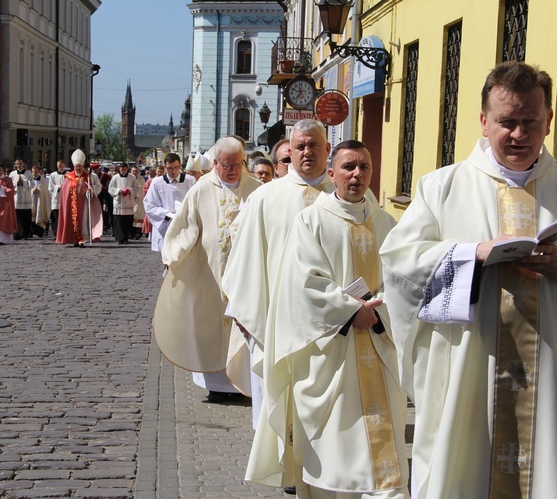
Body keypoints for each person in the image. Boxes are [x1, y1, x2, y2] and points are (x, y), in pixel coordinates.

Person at [379, 61, 557, 499]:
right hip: (471, 380)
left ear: (547, 122)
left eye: (530, 122)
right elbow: (398, 265)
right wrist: (472, 255)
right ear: (484, 122)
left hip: (554, 385)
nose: (519, 134)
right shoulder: (441, 188)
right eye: (507, 122)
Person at [265, 140, 408, 498]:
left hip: (379, 344)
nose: (357, 174)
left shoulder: (386, 223)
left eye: (364, 167)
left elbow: (403, 282)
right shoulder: (311, 221)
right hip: (331, 356)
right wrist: (350, 311)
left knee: (385, 461)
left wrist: (377, 311)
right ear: (332, 174)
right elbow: (302, 285)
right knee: (333, 454)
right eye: (348, 167)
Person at [223, 119, 335, 437]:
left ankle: (321, 467)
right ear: (290, 151)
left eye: (314, 145)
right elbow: (245, 260)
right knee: (279, 395)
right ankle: (283, 462)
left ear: (327, 149)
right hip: (277, 321)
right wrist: (243, 311)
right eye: (300, 146)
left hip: (332, 322)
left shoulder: (346, 195)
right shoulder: (265, 198)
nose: (307, 152)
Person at [153, 136, 261, 403]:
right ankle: (216, 385)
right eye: (227, 164)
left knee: (243, 324)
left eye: (239, 163)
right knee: (210, 324)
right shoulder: (202, 188)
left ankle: (244, 384)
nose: (234, 170)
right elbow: (186, 225)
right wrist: (173, 255)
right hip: (210, 273)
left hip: (247, 274)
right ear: (215, 163)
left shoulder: (257, 189)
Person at [143, 153, 195, 253]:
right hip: (165, 225)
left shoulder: (190, 181)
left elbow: (196, 202)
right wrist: (167, 214)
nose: (173, 171)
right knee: (168, 259)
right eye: (169, 168)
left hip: (185, 224)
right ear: (165, 167)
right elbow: (149, 205)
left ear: (180, 166)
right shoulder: (157, 182)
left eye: (176, 167)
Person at [55, 149, 103, 248]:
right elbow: (65, 192)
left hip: (84, 203)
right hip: (72, 204)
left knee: (83, 221)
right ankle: (74, 239)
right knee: (72, 221)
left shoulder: (87, 177)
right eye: (76, 166)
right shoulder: (69, 177)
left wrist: (90, 192)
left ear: (82, 166)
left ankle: (82, 239)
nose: (78, 168)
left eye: (79, 166)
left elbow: (92, 188)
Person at [107, 162, 138, 244]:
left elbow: (136, 188)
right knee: (118, 221)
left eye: (124, 169)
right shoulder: (115, 177)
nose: (123, 170)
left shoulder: (132, 177)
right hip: (119, 201)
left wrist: (130, 190)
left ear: (127, 169)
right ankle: (119, 238)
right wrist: (118, 191)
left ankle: (126, 237)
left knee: (127, 221)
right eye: (121, 169)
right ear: (119, 169)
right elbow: (110, 188)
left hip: (128, 201)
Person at [10, 158, 34, 239]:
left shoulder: (28, 173)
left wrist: (23, 182)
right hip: (16, 198)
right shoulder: (12, 174)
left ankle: (25, 233)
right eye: (17, 164)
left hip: (26, 198)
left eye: (20, 163)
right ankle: (16, 233)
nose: (19, 165)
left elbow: (32, 184)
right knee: (17, 216)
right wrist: (17, 182)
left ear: (23, 164)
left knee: (26, 216)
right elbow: (9, 185)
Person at [30, 164, 51, 238]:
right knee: (32, 215)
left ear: (39, 172)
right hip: (32, 199)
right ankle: (32, 232)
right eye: (33, 171)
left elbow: (46, 190)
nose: (34, 173)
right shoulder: (30, 180)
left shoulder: (43, 181)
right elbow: (27, 190)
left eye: (35, 171)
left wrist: (39, 190)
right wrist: (32, 190)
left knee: (40, 214)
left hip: (40, 200)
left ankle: (40, 231)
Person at [48, 159, 67, 236]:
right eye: (59, 166)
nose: (60, 167)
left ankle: (64, 233)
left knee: (64, 217)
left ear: (64, 166)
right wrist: (59, 187)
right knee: (55, 217)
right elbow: (50, 188)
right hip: (56, 199)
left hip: (65, 198)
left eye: (61, 166)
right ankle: (56, 233)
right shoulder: (53, 175)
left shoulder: (69, 175)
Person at [130, 166, 146, 240]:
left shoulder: (141, 180)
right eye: (133, 171)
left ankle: (137, 233)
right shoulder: (128, 179)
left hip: (139, 200)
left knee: (138, 215)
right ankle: (130, 233)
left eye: (136, 171)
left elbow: (141, 189)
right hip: (130, 200)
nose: (134, 172)